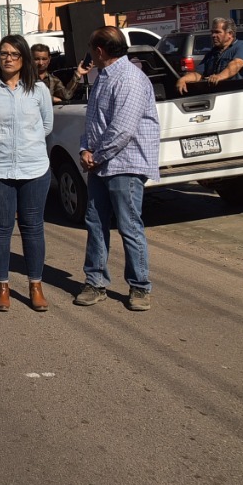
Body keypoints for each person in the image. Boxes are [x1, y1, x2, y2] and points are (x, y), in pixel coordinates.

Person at [77, 26, 159, 311]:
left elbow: (122, 129)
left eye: (91, 48)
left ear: (99, 51)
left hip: (125, 163)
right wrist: (85, 149)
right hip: (101, 162)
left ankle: (139, 287)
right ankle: (96, 281)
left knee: (128, 225)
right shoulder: (102, 77)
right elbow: (93, 121)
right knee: (95, 222)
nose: (89, 53)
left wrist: (96, 155)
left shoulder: (129, 79)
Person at [0, 35, 54, 313]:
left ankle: (35, 285)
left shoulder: (39, 90)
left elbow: (46, 125)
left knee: (33, 228)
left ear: (24, 59)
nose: (8, 58)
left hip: (34, 168)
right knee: (1, 227)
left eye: (14, 54)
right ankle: (2, 286)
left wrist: (24, 145)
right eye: (4, 53)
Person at [176, 18, 243, 94]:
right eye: (212, 32)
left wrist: (219, 77)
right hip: (217, 96)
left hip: (239, 96)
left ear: (230, 34)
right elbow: (198, 74)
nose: (213, 35)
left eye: (217, 32)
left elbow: (236, 64)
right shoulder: (212, 53)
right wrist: (183, 79)